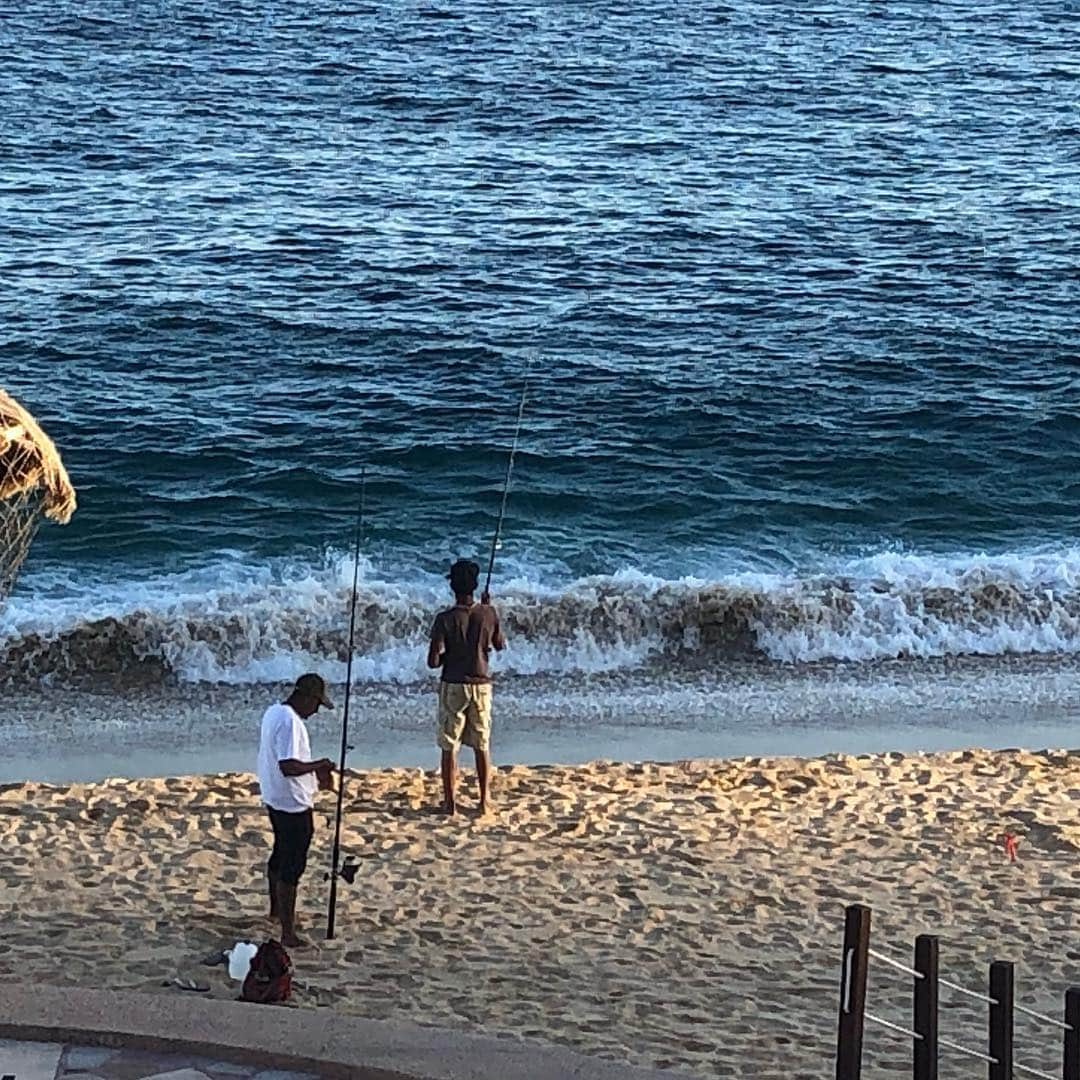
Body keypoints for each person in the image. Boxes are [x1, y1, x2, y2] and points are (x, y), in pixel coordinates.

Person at [256, 672, 335, 947]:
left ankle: (276, 911)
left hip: (273, 795)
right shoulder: (290, 722)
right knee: (293, 864)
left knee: (279, 854)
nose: (316, 711)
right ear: (307, 697)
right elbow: (289, 766)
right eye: (316, 704)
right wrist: (320, 765)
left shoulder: (273, 712)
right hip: (292, 802)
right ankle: (288, 933)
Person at [427, 558, 506, 816]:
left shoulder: (444, 619)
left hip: (453, 684)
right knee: (482, 743)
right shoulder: (489, 613)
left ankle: (450, 803)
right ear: (474, 586)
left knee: (450, 745)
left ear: (453, 587)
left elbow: (433, 661)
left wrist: (447, 656)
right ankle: (484, 800)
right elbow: (499, 644)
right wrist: (488, 609)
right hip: (481, 684)